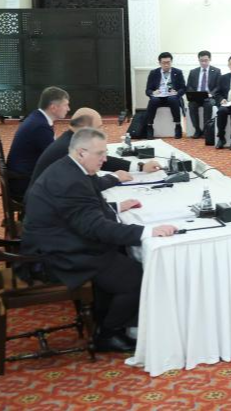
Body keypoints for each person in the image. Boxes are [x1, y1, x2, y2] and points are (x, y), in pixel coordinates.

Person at [20, 128, 177, 352]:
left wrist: (115, 207)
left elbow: (83, 210)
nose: (105, 158)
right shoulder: (71, 180)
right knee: (138, 276)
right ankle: (108, 333)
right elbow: (94, 227)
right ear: (82, 152)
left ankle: (105, 317)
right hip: (55, 254)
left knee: (120, 255)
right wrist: (147, 232)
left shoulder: (72, 168)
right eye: (101, 153)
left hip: (59, 238)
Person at [30, 108, 162, 190]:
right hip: (47, 212)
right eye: (99, 127)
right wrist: (115, 177)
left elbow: (103, 160)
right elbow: (88, 186)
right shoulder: (69, 148)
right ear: (85, 128)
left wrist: (140, 167)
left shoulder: (70, 138)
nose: (102, 131)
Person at [6, 86, 70, 199]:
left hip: (22, 175)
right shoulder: (40, 126)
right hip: (24, 182)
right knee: (72, 187)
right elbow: (55, 157)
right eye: (66, 105)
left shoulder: (37, 118)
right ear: (53, 107)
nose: (68, 109)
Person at [144, 52, 186, 139]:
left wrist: (177, 93)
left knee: (173, 99)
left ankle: (178, 125)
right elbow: (147, 90)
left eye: (168, 62)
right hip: (159, 97)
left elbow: (183, 88)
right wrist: (152, 93)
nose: (166, 65)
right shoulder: (154, 73)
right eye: (164, 63)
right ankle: (149, 126)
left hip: (171, 96)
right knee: (153, 100)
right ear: (159, 63)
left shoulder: (177, 72)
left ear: (171, 62)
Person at [185, 50, 221, 139]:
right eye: (201, 61)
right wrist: (193, 93)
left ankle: (206, 129)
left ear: (210, 59)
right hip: (197, 96)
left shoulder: (216, 71)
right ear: (199, 60)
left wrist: (211, 94)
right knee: (192, 104)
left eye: (206, 60)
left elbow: (218, 86)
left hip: (209, 97)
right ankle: (197, 130)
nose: (204, 63)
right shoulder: (193, 72)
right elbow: (189, 86)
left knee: (208, 104)